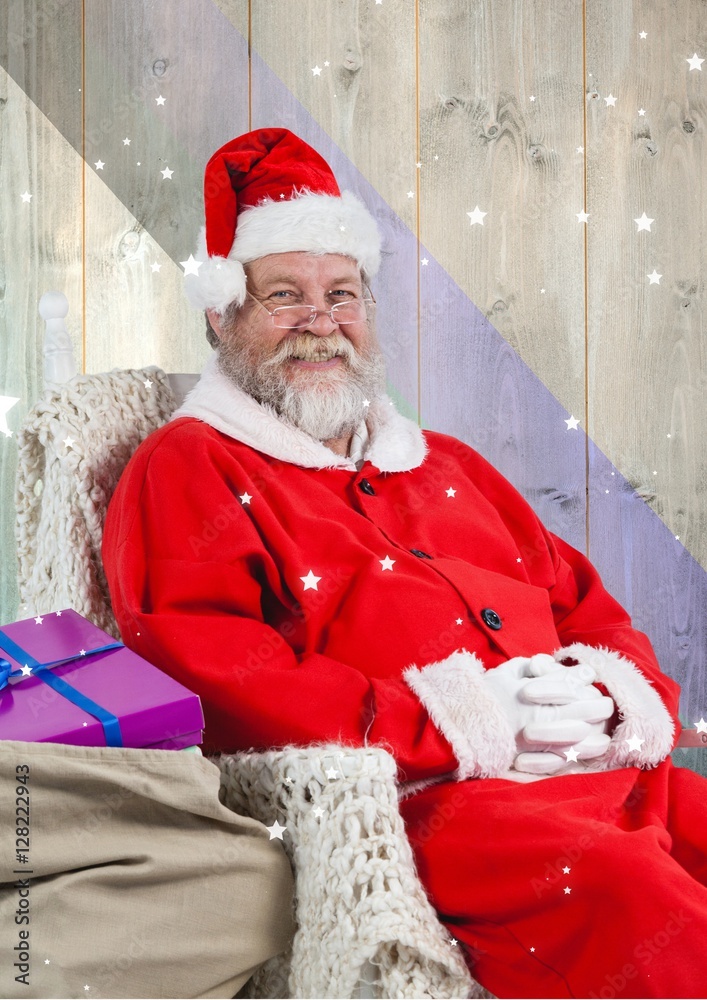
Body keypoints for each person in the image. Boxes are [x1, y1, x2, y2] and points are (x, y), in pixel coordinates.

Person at [102, 128, 707, 999]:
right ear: (221, 312)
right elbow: (204, 667)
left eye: (341, 294)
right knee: (644, 909)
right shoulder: (192, 466)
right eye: (284, 295)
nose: (321, 322)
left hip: (605, 779)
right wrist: (456, 715)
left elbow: (579, 602)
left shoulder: (449, 465)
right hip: (433, 807)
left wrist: (609, 694)